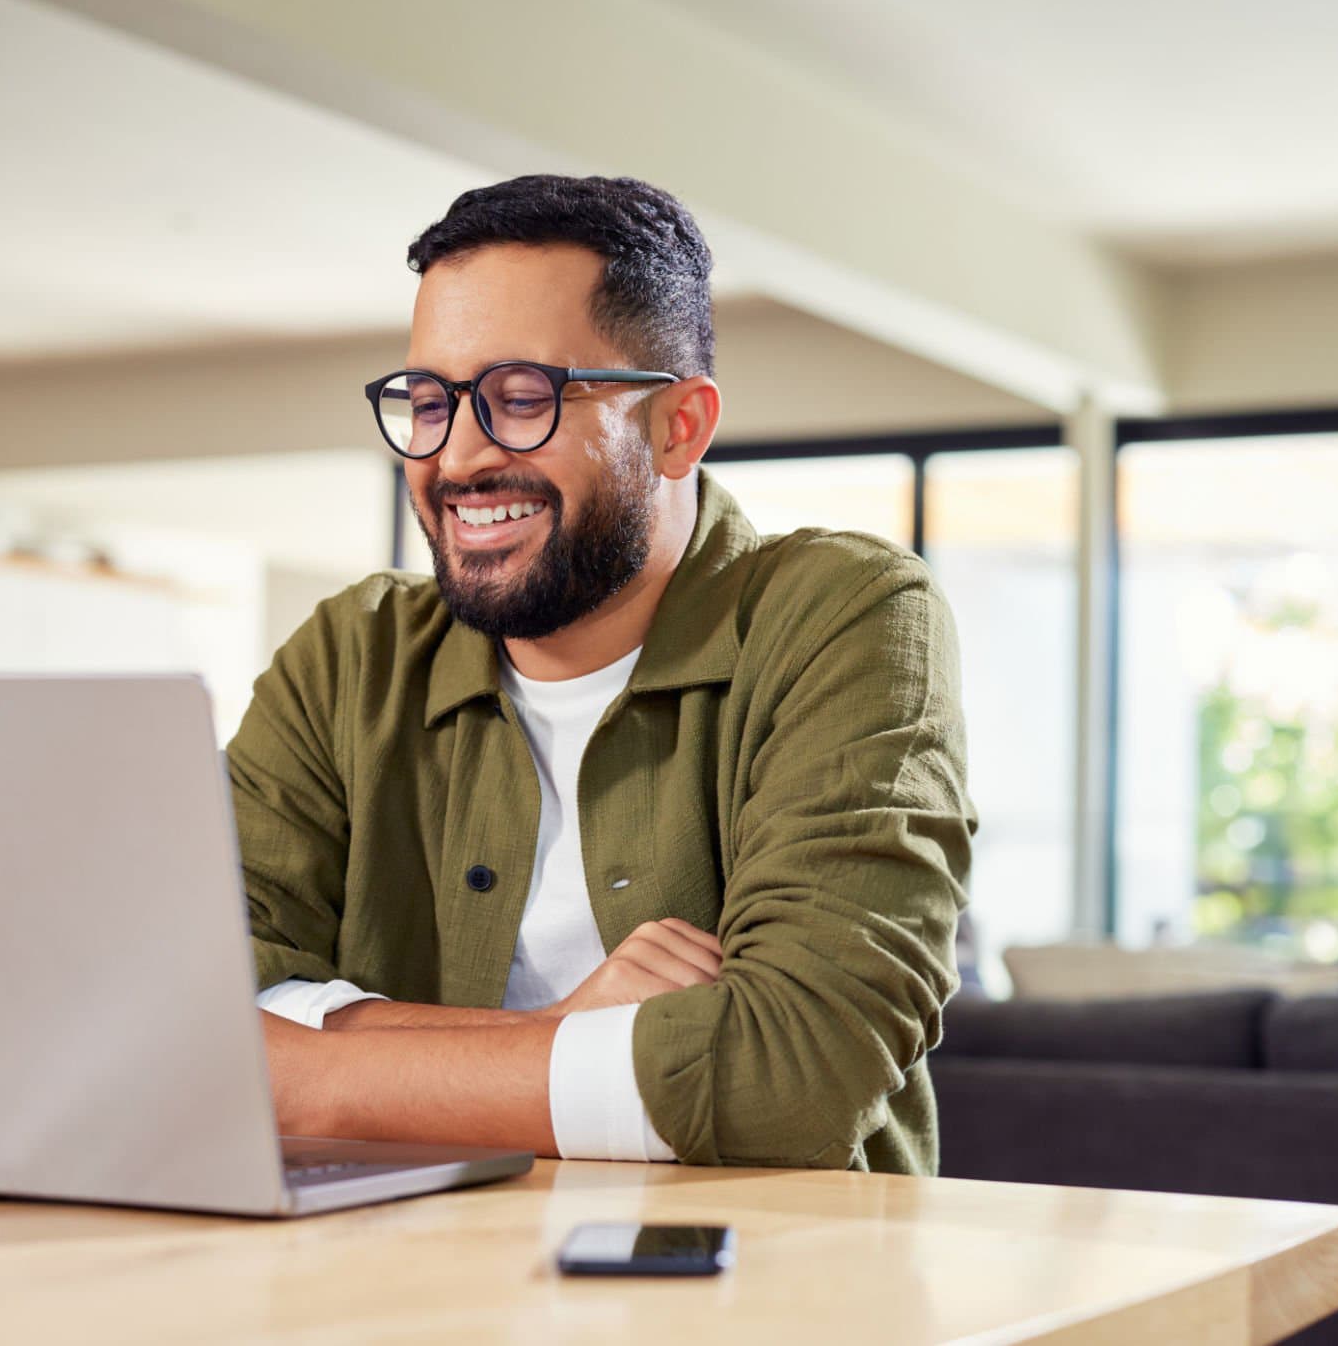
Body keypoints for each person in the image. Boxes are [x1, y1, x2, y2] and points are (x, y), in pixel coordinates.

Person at [235, 174, 974, 1173]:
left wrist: (308, 1077)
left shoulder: (844, 615)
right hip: (392, 1258)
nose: (457, 457)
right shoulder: (349, 655)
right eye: (429, 402)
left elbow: (795, 1072)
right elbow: (185, 1002)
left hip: (758, 1263)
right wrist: (566, 1039)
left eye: (521, 399)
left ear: (677, 426)